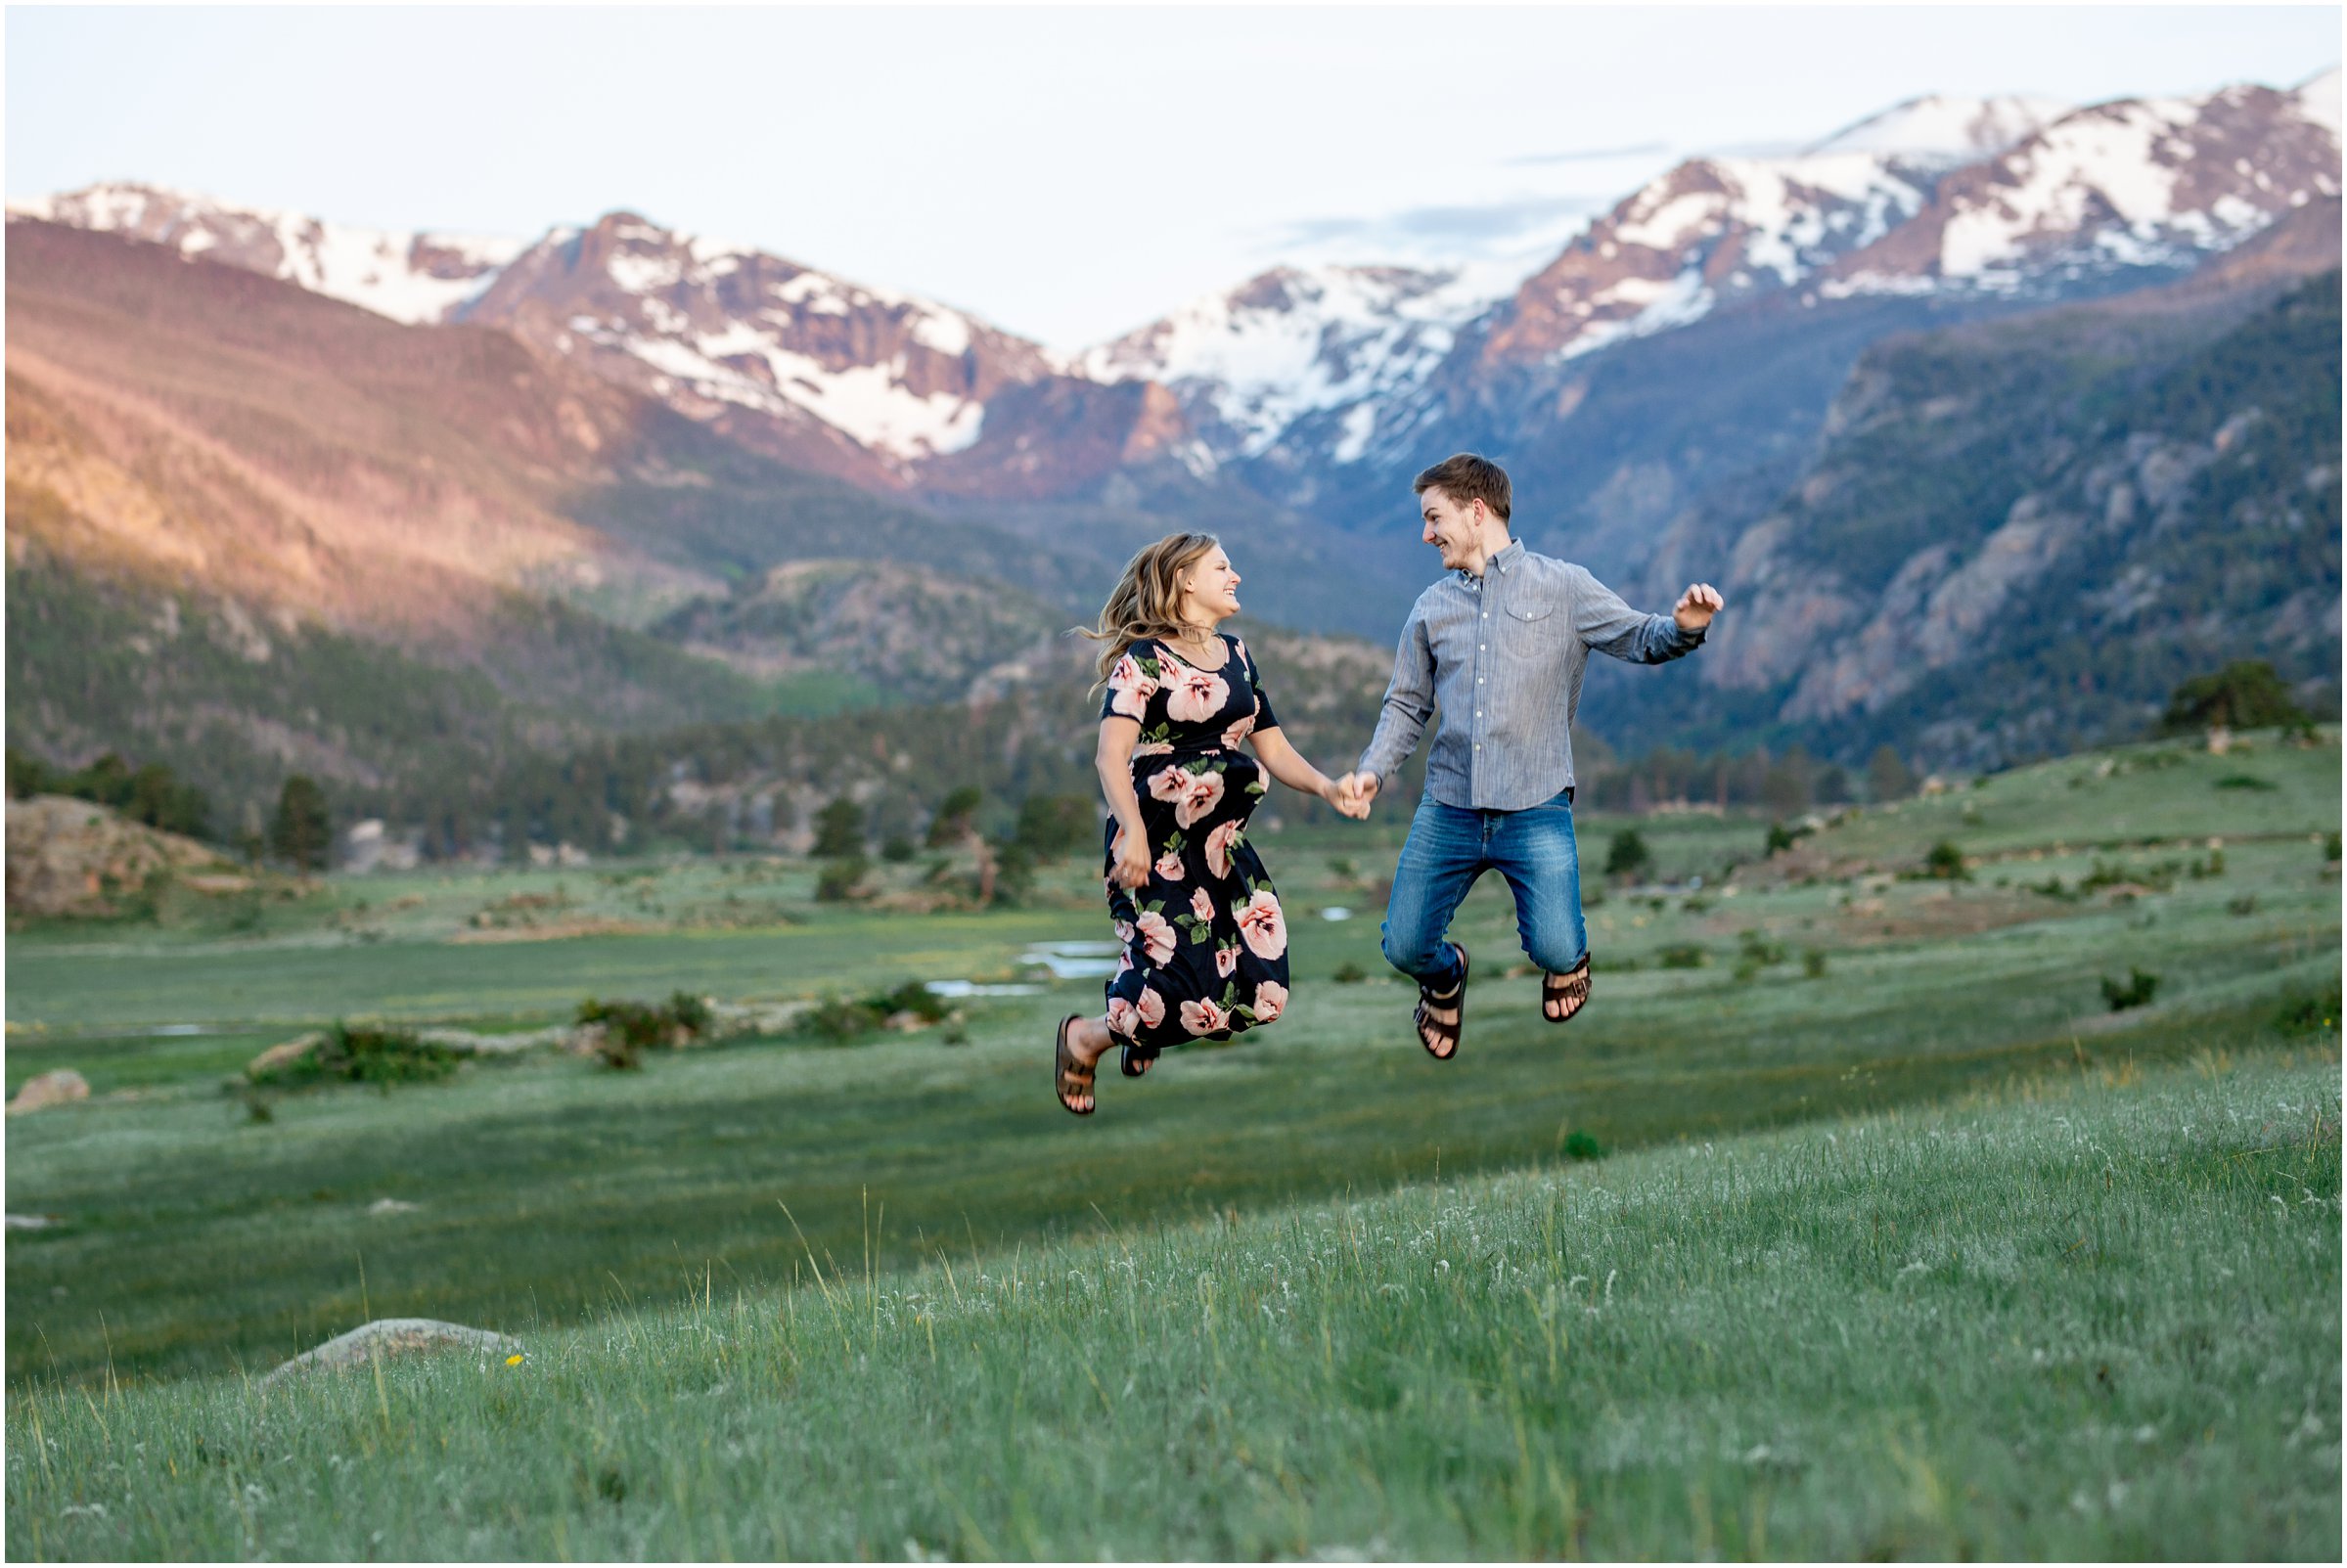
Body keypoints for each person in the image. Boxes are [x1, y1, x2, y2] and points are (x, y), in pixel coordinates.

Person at [1331, 453, 1723, 1059]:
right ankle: (1445, 977)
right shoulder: (1431, 607)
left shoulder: (1564, 586)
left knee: (1557, 949)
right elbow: (1406, 705)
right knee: (1404, 946)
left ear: (1477, 510)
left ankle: (1568, 962)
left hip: (1536, 806)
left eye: (1434, 517)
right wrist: (1372, 771)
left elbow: (1643, 637)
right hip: (1450, 808)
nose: (1426, 533)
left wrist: (1685, 628)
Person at [1055, 532, 1370, 1115]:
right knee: (1172, 987)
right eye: (1223, 566)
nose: (1237, 576)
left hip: (1223, 847)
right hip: (1157, 844)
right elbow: (1109, 756)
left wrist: (1329, 787)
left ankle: (1142, 1025)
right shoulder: (1142, 661)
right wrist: (1134, 834)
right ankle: (1089, 1037)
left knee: (1262, 988)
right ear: (1184, 581)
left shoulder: (1239, 655)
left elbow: (1274, 750)